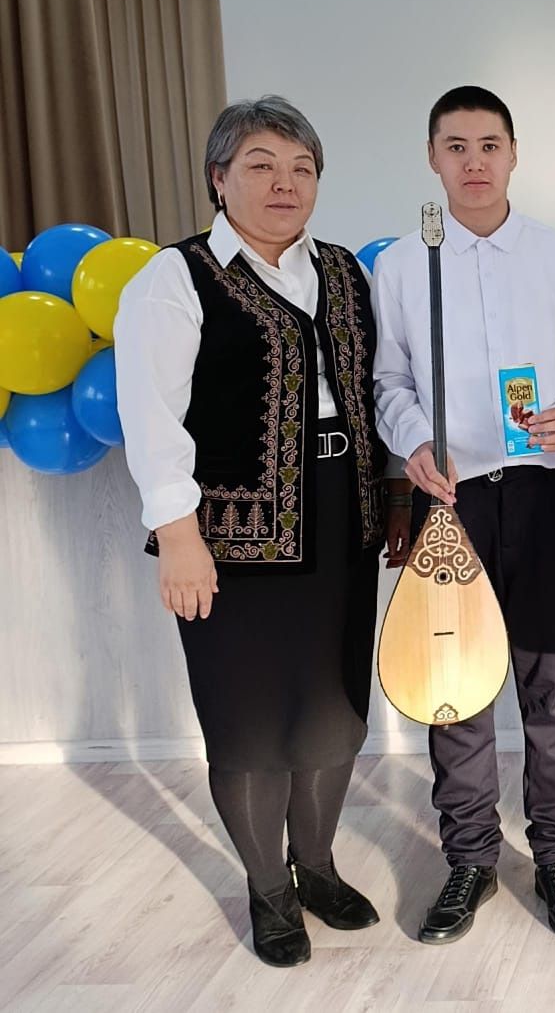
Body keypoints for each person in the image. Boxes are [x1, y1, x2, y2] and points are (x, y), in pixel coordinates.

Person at [116, 96, 386, 967]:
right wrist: (178, 534)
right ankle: (269, 889)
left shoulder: (343, 271)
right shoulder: (175, 277)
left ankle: (319, 866)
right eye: (262, 165)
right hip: (230, 539)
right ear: (219, 178)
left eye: (302, 168)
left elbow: (375, 392)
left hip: (341, 520)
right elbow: (151, 416)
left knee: (334, 709)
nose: (285, 183)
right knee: (248, 721)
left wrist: (393, 501)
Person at [371, 86, 555, 944]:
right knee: (455, 687)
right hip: (454, 499)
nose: (474, 162)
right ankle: (470, 858)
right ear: (432, 157)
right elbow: (388, 380)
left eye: (489, 145)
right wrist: (412, 442)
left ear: (513, 154)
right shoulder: (403, 265)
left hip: (547, 495)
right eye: (456, 146)